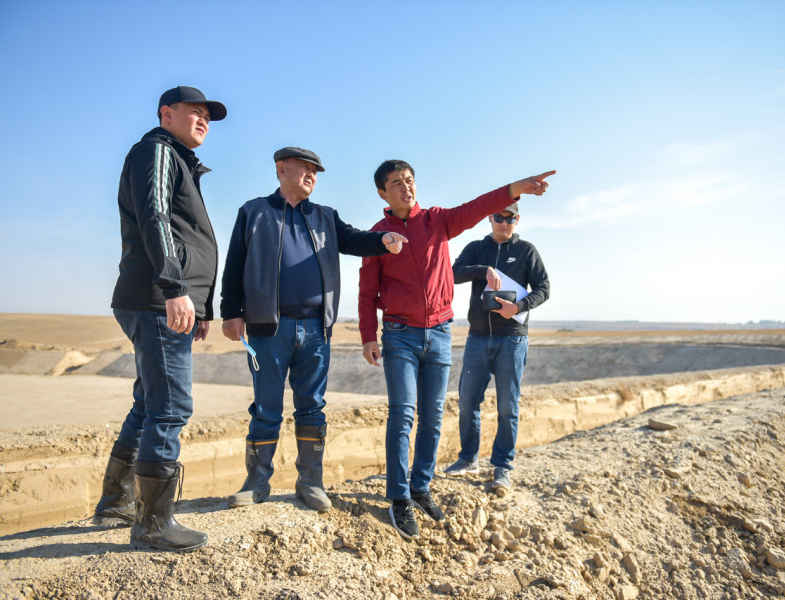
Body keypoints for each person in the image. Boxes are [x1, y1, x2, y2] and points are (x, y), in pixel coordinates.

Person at [359, 160, 556, 539]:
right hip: (400, 334)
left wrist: (517, 187)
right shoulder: (377, 236)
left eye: (410, 180)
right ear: (383, 192)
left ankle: (421, 487)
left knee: (433, 416)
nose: (406, 187)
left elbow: (477, 206)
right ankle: (399, 498)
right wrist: (369, 334)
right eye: (397, 183)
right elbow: (367, 290)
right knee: (403, 414)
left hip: (440, 333)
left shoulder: (437, 221)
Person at [220, 147, 407, 513]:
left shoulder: (325, 216)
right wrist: (231, 312)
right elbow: (234, 264)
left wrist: (382, 240)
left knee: (312, 408)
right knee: (266, 408)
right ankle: (256, 484)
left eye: (315, 171)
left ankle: (311, 483)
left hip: (316, 330)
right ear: (281, 169)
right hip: (267, 330)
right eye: (304, 168)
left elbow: (354, 239)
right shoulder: (254, 212)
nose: (311, 175)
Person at [93, 86, 227, 552]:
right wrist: (174, 288)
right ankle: (154, 522)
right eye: (195, 112)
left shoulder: (178, 160)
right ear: (166, 114)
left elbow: (186, 234)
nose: (203, 119)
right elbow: (155, 219)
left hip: (163, 299)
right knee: (170, 407)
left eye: (208, 115)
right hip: (156, 297)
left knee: (149, 403)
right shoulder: (157, 151)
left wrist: (201, 306)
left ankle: (116, 502)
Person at [444, 202, 550, 496]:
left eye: (509, 218)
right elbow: (452, 273)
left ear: (517, 219)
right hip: (477, 337)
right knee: (467, 402)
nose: (504, 222)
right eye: (498, 217)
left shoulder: (527, 251)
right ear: (489, 218)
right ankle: (468, 458)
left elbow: (544, 288)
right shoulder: (476, 248)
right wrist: (484, 270)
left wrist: (519, 306)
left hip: (512, 339)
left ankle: (502, 467)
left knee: (507, 406)